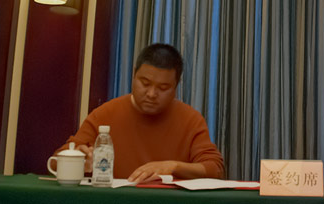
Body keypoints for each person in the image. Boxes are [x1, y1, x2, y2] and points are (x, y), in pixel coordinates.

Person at [53, 43, 224, 183]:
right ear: (134, 75)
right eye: (145, 83)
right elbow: (56, 162)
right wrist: (78, 158)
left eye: (163, 88)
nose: (151, 94)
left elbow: (215, 169)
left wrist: (173, 166)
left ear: (176, 86)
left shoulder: (190, 119)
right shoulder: (105, 114)